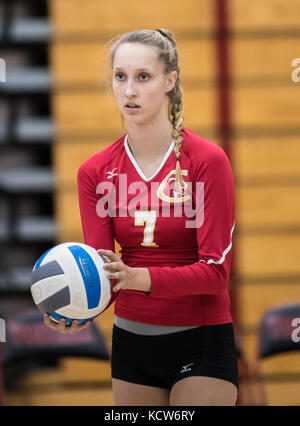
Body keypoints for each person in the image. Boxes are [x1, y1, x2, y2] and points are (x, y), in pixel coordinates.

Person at [44, 28, 238, 406]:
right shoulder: (94, 172)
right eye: (121, 77)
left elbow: (216, 273)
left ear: (170, 80)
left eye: (143, 77)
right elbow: (104, 273)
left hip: (201, 338)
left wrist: (137, 277)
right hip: (132, 341)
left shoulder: (207, 161)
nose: (129, 90)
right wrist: (73, 308)